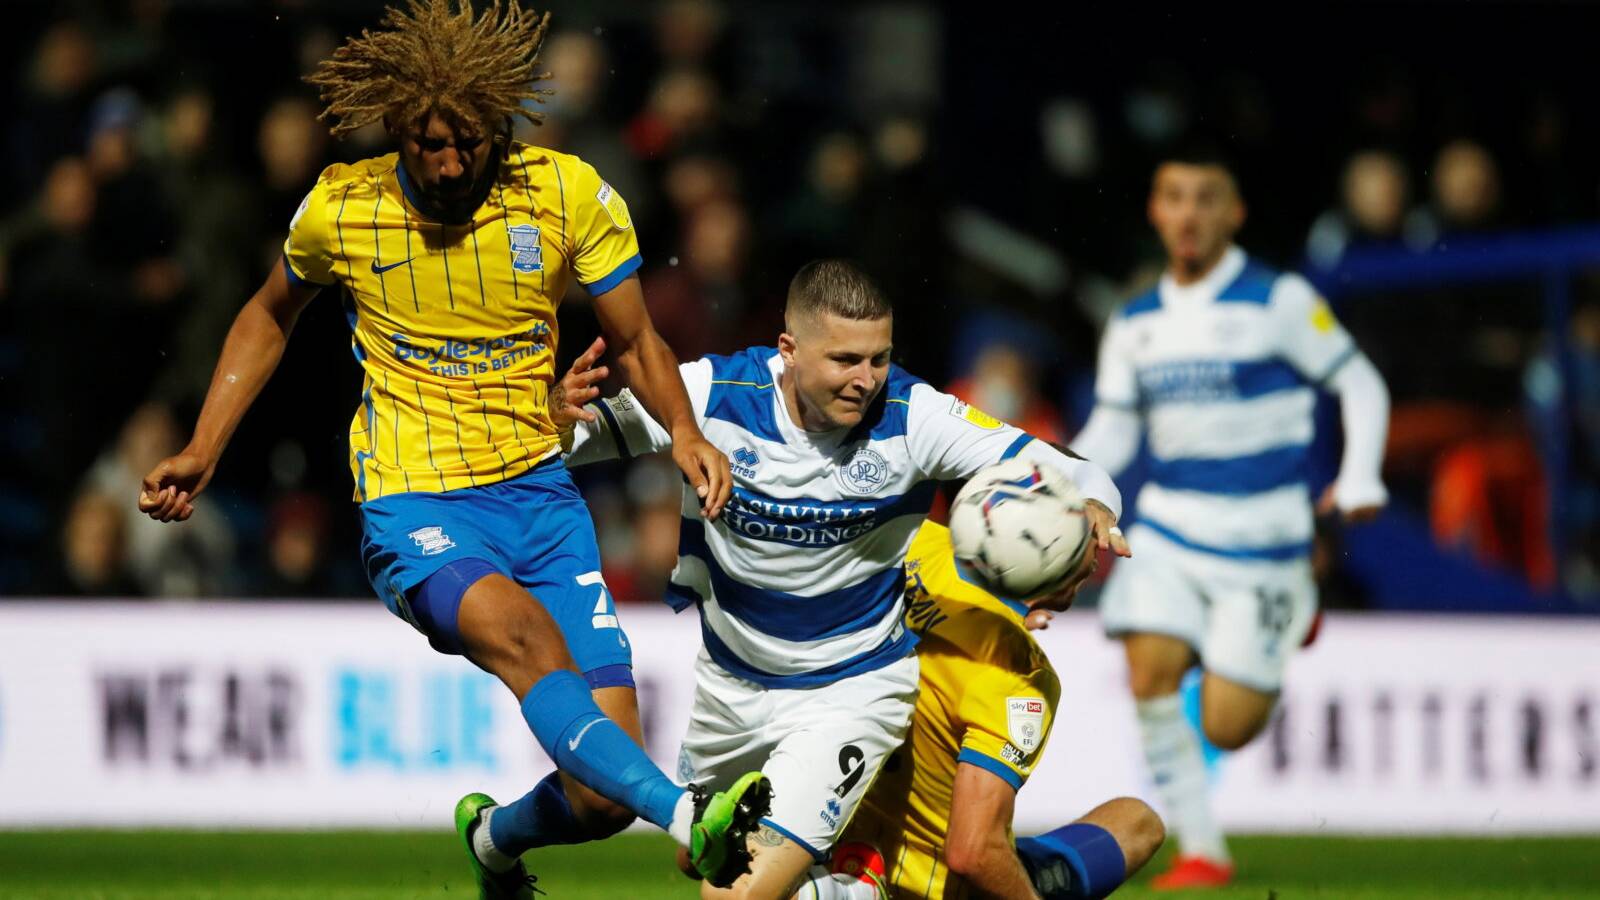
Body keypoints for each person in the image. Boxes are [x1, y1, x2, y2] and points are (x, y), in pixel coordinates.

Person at [134, 2, 769, 896]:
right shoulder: (345, 207)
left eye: (468, 142)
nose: (447, 162)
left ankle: (494, 840)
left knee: (600, 797)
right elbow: (267, 315)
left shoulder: (565, 195)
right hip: (415, 502)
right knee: (528, 638)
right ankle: (688, 815)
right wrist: (205, 446)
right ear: (396, 129)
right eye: (427, 143)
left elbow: (635, 340)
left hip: (542, 502)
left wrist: (686, 433)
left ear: (499, 127)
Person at [557, 258, 1130, 900]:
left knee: (742, 894)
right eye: (845, 360)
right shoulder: (711, 394)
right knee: (703, 866)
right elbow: (566, 444)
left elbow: (1076, 470)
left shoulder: (914, 417)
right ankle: (856, 889)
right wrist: (555, 414)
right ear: (789, 350)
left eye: (878, 359)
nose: (866, 380)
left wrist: (1095, 506)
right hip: (731, 686)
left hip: (851, 688)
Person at [1071, 146, 1391, 889]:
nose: (1188, 213)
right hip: (1171, 529)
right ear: (1155, 211)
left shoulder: (1278, 300)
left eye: (1205, 197)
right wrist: (1055, 470)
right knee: (1149, 670)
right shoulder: (1134, 320)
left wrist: (1360, 474)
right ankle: (1203, 851)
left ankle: (1297, 605)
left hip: (1266, 542)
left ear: (1234, 212)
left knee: (1227, 725)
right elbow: (1114, 430)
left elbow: (1361, 383)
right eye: (1174, 197)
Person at [798, 519, 1164, 900]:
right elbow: (973, 852)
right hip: (929, 885)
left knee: (1140, 820)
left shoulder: (921, 542)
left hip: (818, 828)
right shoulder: (1018, 674)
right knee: (1135, 823)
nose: (1098, 548)